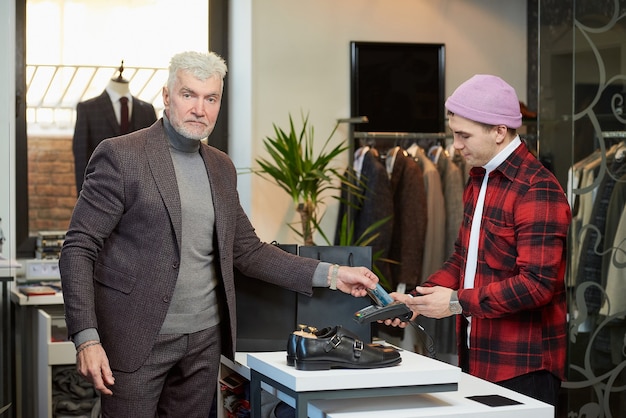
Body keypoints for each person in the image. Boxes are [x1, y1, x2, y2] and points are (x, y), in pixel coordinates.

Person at [59, 50, 379, 417]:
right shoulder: (121, 155)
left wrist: (334, 274)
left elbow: (248, 251)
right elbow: (79, 248)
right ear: (166, 96)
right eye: (188, 95)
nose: (200, 108)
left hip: (204, 343)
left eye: (210, 98)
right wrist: (87, 337)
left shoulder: (221, 167)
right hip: (135, 340)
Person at [386, 74, 571, 409]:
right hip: (477, 353)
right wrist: (417, 299)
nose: (456, 144)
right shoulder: (479, 178)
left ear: (499, 131)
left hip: (523, 365)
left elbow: (536, 285)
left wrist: (457, 302)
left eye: (463, 135)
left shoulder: (537, 189)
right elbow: (463, 258)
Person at [72, 70, 157, 193]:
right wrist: (82, 194)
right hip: (100, 189)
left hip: (140, 194)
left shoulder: (147, 110)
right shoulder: (87, 109)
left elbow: (155, 153)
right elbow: (81, 155)